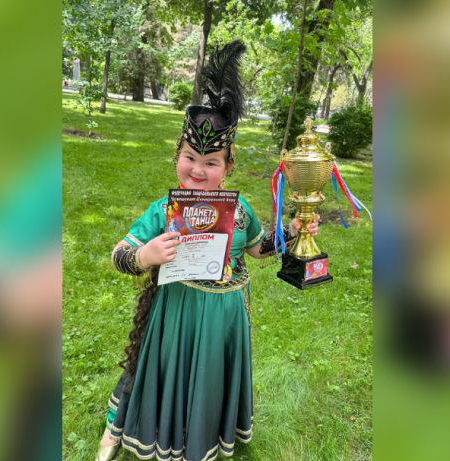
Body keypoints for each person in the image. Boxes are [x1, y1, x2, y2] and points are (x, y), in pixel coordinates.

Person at [97, 40, 319, 461]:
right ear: (177, 156)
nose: (198, 170)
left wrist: (291, 232)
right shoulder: (162, 211)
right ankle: (126, 425)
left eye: (211, 162)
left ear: (228, 167)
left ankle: (206, 432)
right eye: (190, 157)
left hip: (225, 316)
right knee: (169, 370)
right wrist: (144, 257)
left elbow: (257, 250)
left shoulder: (240, 209)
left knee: (211, 375)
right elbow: (118, 253)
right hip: (177, 314)